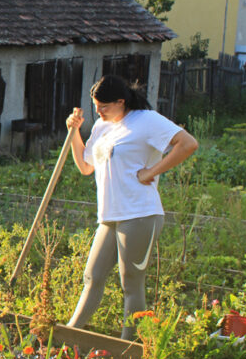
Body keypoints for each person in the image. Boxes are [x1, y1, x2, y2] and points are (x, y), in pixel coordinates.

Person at [65, 74, 198, 340]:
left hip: (140, 214)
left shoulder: (145, 120)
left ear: (121, 101)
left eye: (104, 106)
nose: (99, 111)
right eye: (95, 106)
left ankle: (130, 347)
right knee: (92, 275)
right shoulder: (103, 127)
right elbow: (85, 167)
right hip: (110, 215)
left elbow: (188, 144)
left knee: (131, 282)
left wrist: (151, 172)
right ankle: (69, 334)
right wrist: (74, 132)